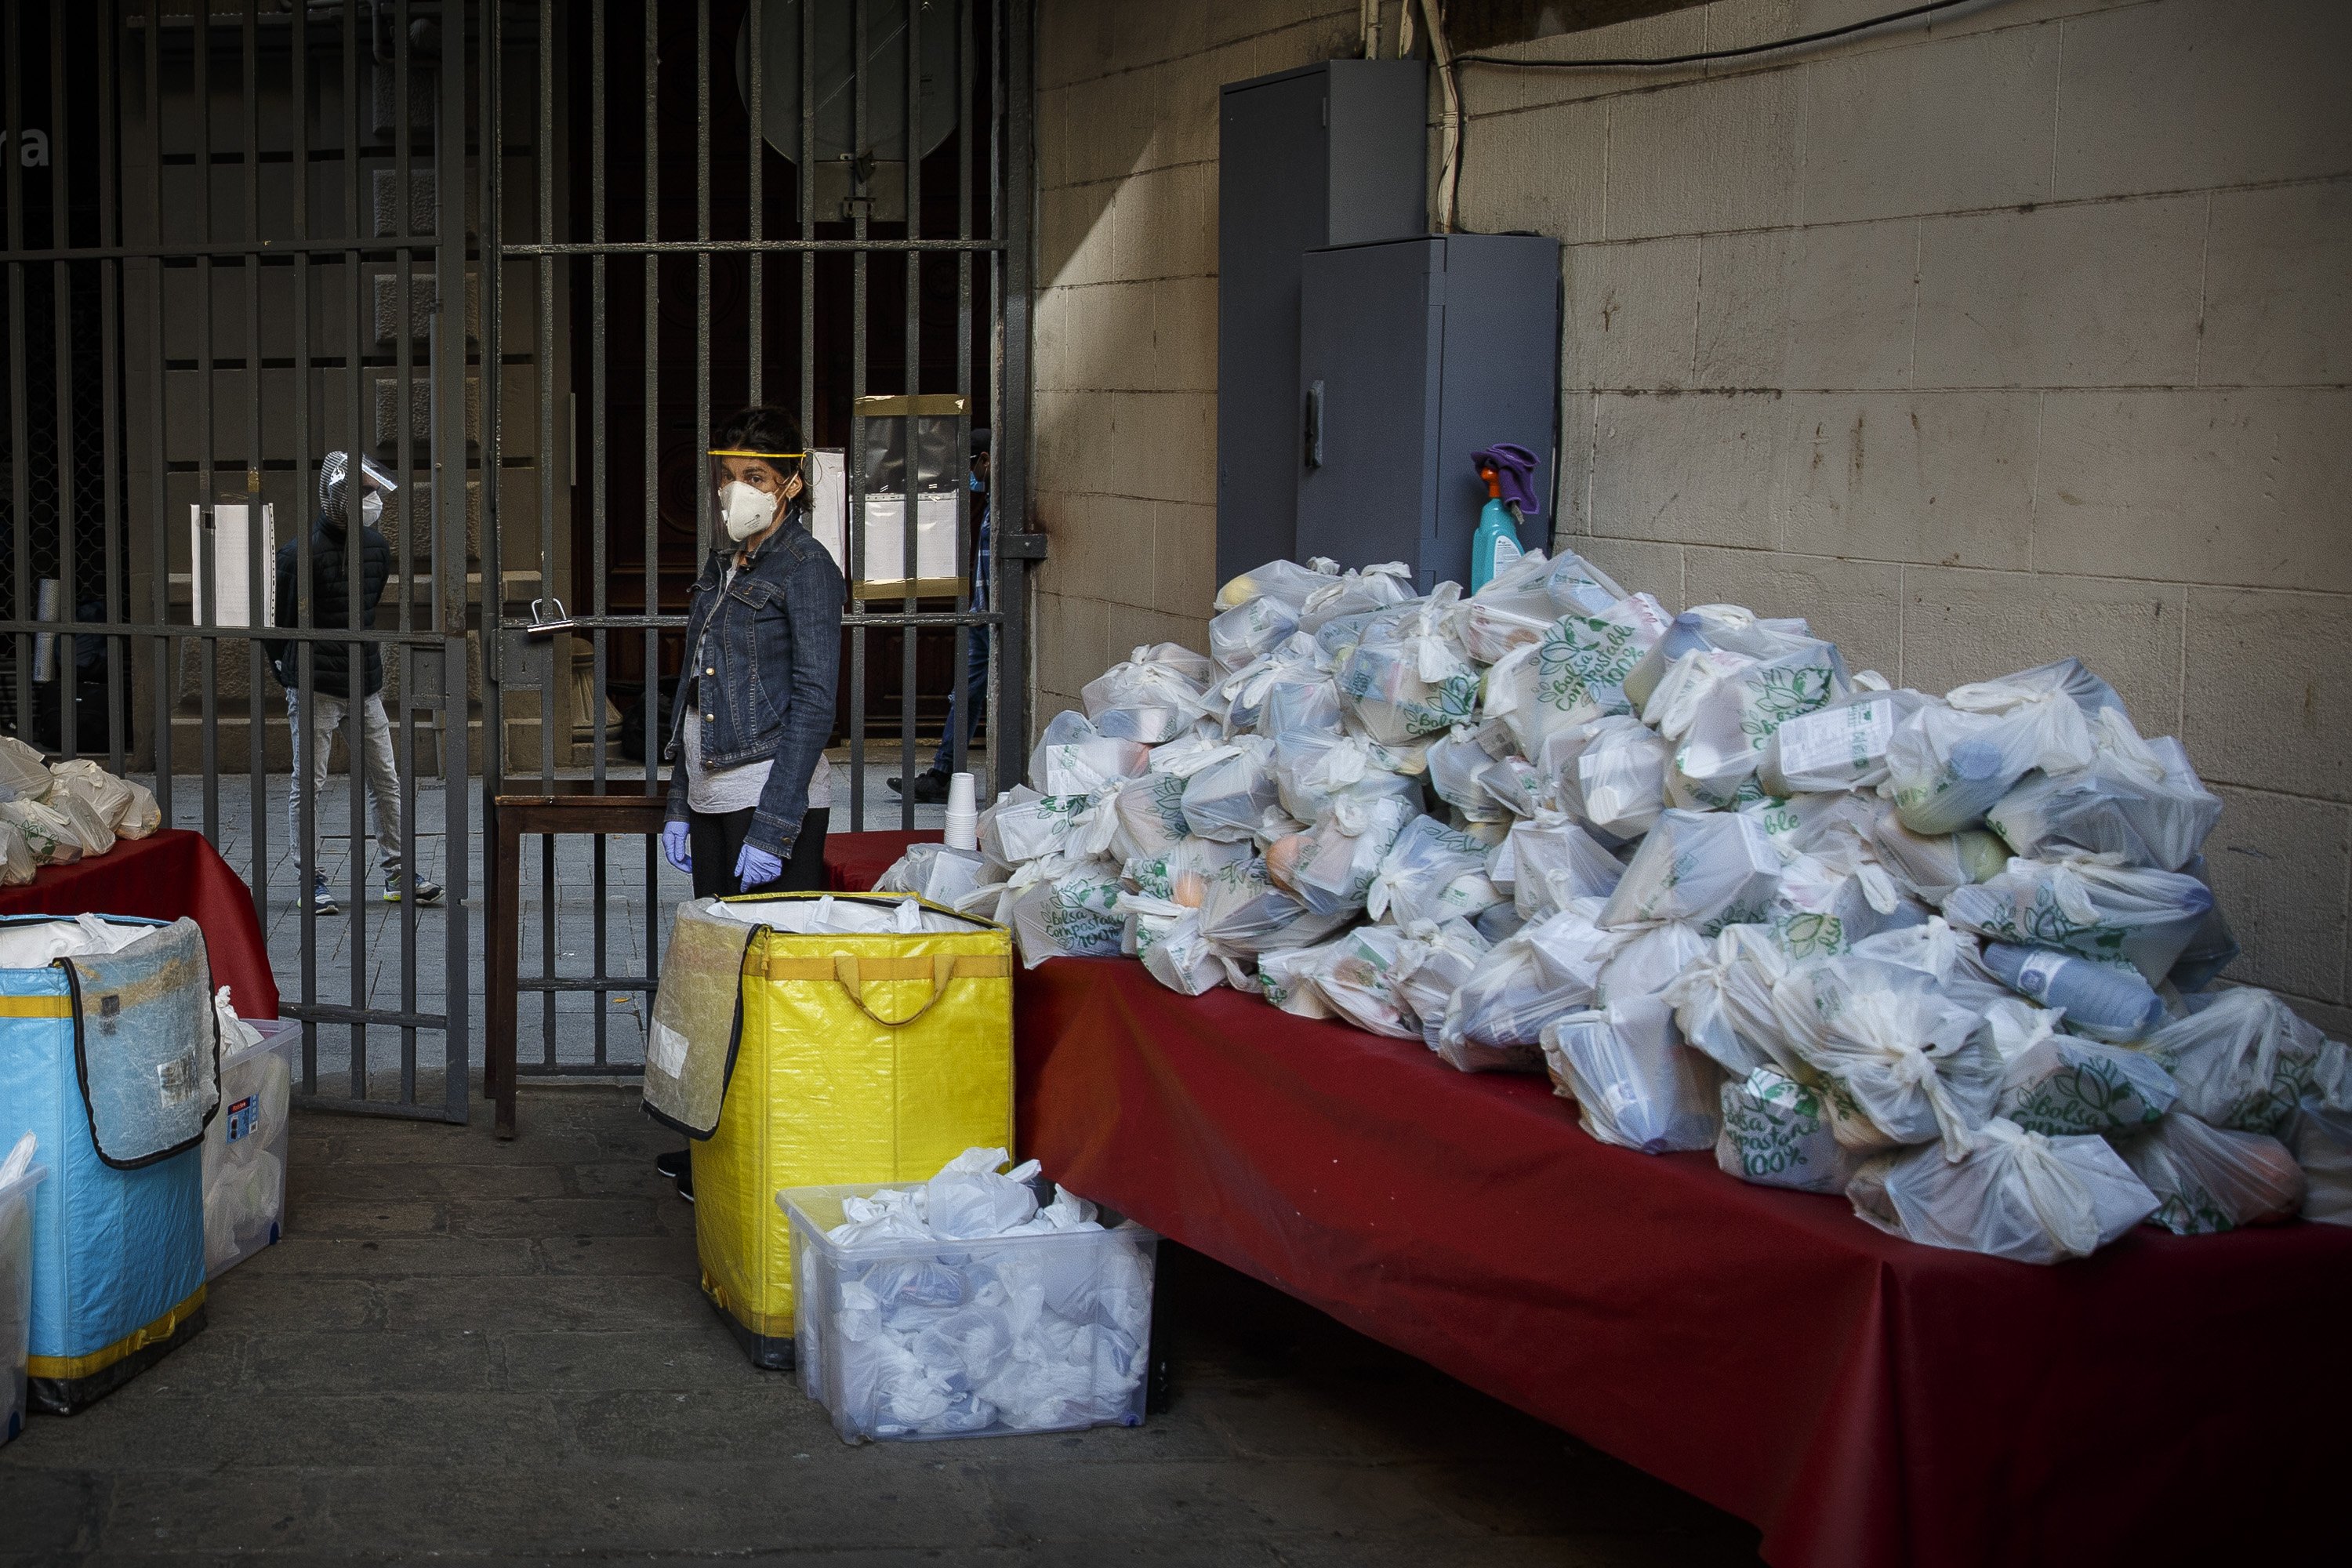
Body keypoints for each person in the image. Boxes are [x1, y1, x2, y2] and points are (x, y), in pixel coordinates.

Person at [655, 405, 845, 1202]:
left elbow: (813, 699)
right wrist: (676, 797)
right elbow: (695, 685)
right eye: (728, 476)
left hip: (766, 796)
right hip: (710, 791)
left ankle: (765, 1155)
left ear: (792, 484)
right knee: (720, 977)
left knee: (764, 985)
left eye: (755, 478)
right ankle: (721, 1146)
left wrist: (775, 823)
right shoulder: (725, 559)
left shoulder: (807, 569)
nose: (736, 492)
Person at [267, 451, 442, 915]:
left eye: (372, 490)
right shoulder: (297, 556)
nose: (371, 499)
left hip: (364, 683)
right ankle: (312, 879)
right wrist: (288, 675)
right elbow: (280, 628)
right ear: (336, 495)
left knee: (386, 778)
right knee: (310, 782)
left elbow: (364, 611)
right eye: (361, 491)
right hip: (316, 685)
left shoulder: (376, 549)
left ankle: (400, 873)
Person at [888, 426, 990, 804]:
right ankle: (943, 773)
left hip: (990, 617)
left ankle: (949, 773)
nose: (971, 478)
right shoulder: (989, 502)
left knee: (974, 693)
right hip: (981, 615)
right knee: (965, 694)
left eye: (972, 467)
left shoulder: (1002, 505)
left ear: (986, 460)